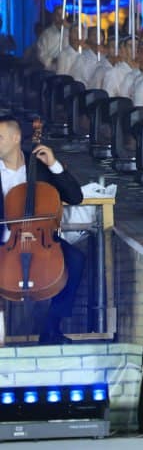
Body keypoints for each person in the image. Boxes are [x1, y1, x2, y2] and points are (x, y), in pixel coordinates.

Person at [0, 116, 85, 343]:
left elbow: (75, 197)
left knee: (75, 260)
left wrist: (54, 166)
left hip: (41, 240)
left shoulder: (39, 167)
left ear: (16, 138)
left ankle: (51, 328)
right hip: (4, 243)